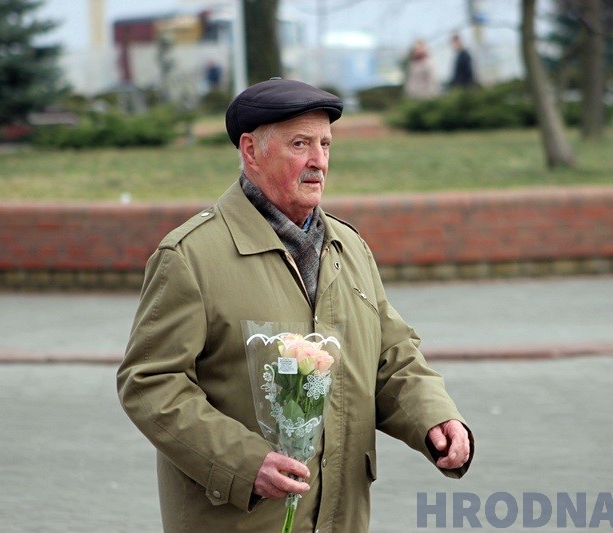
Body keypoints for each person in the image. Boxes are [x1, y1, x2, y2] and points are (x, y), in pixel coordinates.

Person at [117, 78, 474, 532]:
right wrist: (245, 462)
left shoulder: (349, 247)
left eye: (325, 144)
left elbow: (391, 355)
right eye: (300, 144)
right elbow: (150, 382)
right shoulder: (190, 256)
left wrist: (433, 416)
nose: (318, 160)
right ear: (251, 151)